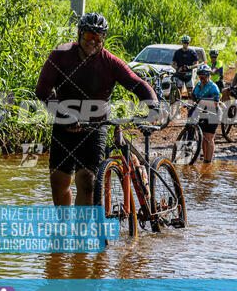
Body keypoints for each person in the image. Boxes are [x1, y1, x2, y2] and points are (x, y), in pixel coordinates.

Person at [35, 12, 158, 207]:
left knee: (87, 182)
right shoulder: (61, 55)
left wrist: (153, 104)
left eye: (98, 38)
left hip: (95, 127)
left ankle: (81, 232)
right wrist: (63, 115)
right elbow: (42, 90)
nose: (92, 42)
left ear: (104, 38)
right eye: (88, 36)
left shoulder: (110, 62)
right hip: (64, 124)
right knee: (59, 183)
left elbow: (137, 84)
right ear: (79, 34)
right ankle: (63, 228)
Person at [192, 64, 221, 163]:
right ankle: (205, 159)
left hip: (213, 113)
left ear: (209, 76)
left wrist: (201, 102)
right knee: (203, 137)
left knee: (209, 138)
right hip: (202, 112)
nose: (202, 79)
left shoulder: (213, 87)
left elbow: (216, 103)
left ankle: (209, 161)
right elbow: (194, 97)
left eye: (204, 77)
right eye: (200, 77)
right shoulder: (198, 85)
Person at [171, 35, 199, 99]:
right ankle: (178, 106)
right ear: (182, 43)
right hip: (180, 74)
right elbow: (172, 64)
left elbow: (197, 64)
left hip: (189, 74)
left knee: (190, 93)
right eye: (184, 42)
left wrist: (189, 67)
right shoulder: (178, 52)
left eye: (187, 43)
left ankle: (190, 107)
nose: (186, 44)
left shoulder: (192, 52)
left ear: (189, 43)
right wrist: (178, 68)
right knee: (179, 93)